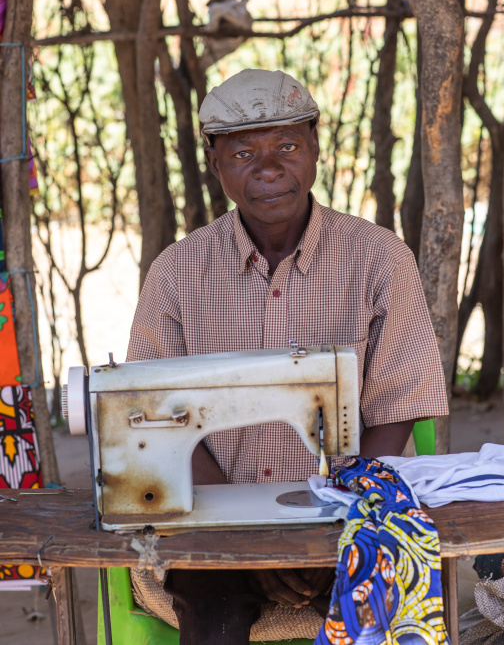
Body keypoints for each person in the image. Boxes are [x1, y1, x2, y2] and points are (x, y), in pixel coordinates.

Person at [126, 68, 449, 644]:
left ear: (316, 147)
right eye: (244, 152)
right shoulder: (176, 274)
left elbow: (397, 403)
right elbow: (153, 419)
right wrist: (250, 540)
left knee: (381, 594)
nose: (269, 168)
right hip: (215, 519)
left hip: (350, 513)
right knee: (211, 604)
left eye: (288, 146)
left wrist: (334, 532)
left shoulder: (378, 260)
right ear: (215, 161)